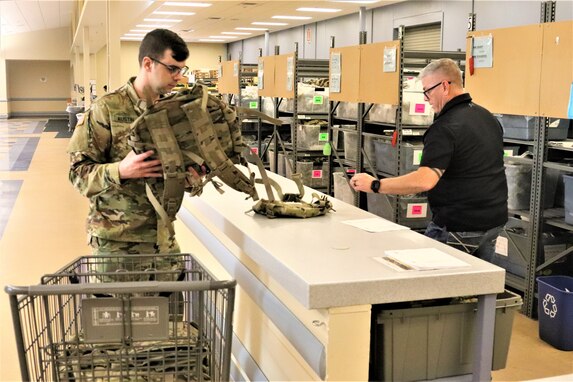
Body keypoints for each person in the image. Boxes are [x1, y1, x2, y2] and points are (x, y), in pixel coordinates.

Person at [350, 58, 508, 262]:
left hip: (459, 226)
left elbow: (424, 180)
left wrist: (375, 184)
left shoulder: (445, 127)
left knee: (431, 287)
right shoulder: (487, 117)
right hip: (494, 220)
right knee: (476, 284)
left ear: (444, 86)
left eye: (427, 91)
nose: (425, 98)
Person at [68, 29, 197, 258]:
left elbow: (173, 173)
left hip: (163, 239)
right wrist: (120, 170)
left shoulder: (174, 112)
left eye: (182, 69)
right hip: (117, 244)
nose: (179, 76)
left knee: (171, 294)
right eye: (172, 68)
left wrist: (191, 178)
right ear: (148, 63)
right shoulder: (106, 109)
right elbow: (78, 175)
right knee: (115, 296)